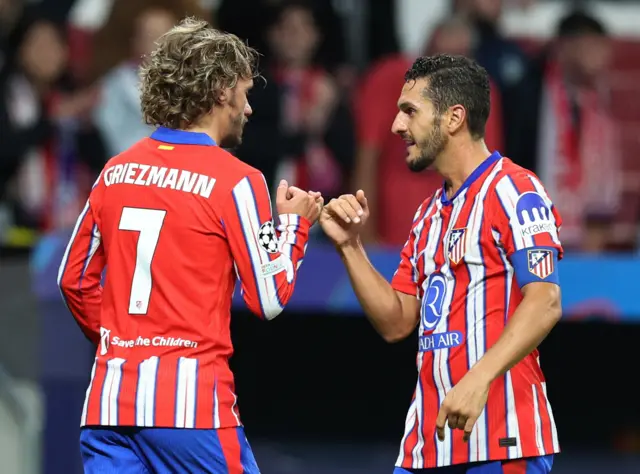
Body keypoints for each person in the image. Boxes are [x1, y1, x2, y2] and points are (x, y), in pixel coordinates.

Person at [57, 17, 322, 474]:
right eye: (244, 92)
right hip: (191, 410)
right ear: (221, 92)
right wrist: (294, 227)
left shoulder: (114, 171)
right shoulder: (237, 180)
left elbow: (74, 280)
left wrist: (127, 345)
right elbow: (269, 298)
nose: (249, 109)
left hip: (106, 406)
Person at [319, 54, 562, 473]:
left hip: (502, 441)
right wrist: (350, 248)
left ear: (453, 118)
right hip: (427, 444)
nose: (397, 126)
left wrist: (478, 378)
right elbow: (397, 322)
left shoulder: (516, 190)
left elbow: (545, 300)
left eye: (409, 111)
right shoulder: (428, 214)